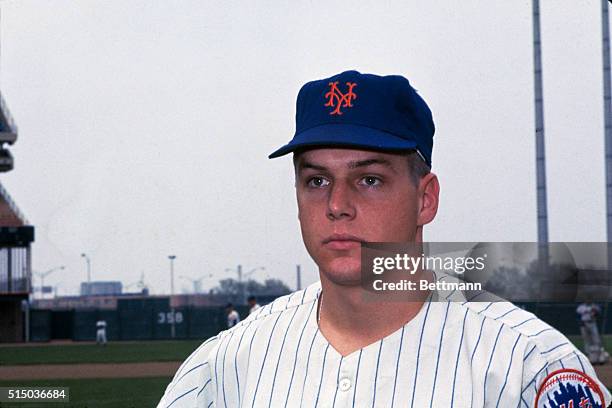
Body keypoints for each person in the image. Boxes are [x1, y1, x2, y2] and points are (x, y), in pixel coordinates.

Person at [157, 71, 610, 407]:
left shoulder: (527, 363)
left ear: (425, 199)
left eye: (369, 179)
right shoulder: (226, 365)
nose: (337, 204)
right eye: (316, 181)